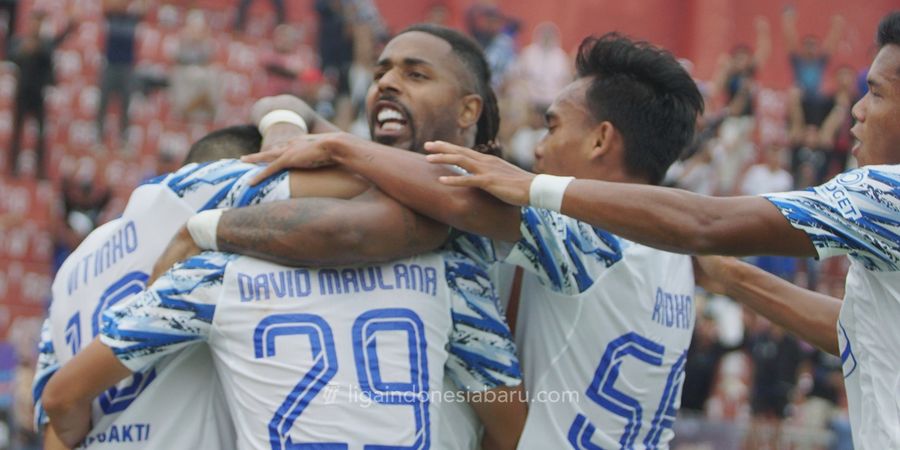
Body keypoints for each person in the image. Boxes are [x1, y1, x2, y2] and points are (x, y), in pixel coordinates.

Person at [191, 32, 704, 448]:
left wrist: (204, 229)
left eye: (551, 128)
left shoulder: (592, 233)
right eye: (383, 74)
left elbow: (453, 199)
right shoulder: (673, 249)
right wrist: (291, 120)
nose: (539, 149)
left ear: (600, 140)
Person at [419, 11, 900, 449]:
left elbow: (704, 223)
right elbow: (858, 335)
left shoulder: (886, 194)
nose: (856, 109)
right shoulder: (672, 259)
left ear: (602, 138)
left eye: (875, 92)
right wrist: (734, 278)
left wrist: (532, 186)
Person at [6, 9, 76, 178]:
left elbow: (55, 44)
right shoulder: (20, 42)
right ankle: (12, 168)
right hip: (22, 92)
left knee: (41, 133)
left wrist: (70, 26)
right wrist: (26, 49)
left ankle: (40, 170)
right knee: (17, 133)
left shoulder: (44, 43)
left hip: (38, 94)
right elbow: (11, 55)